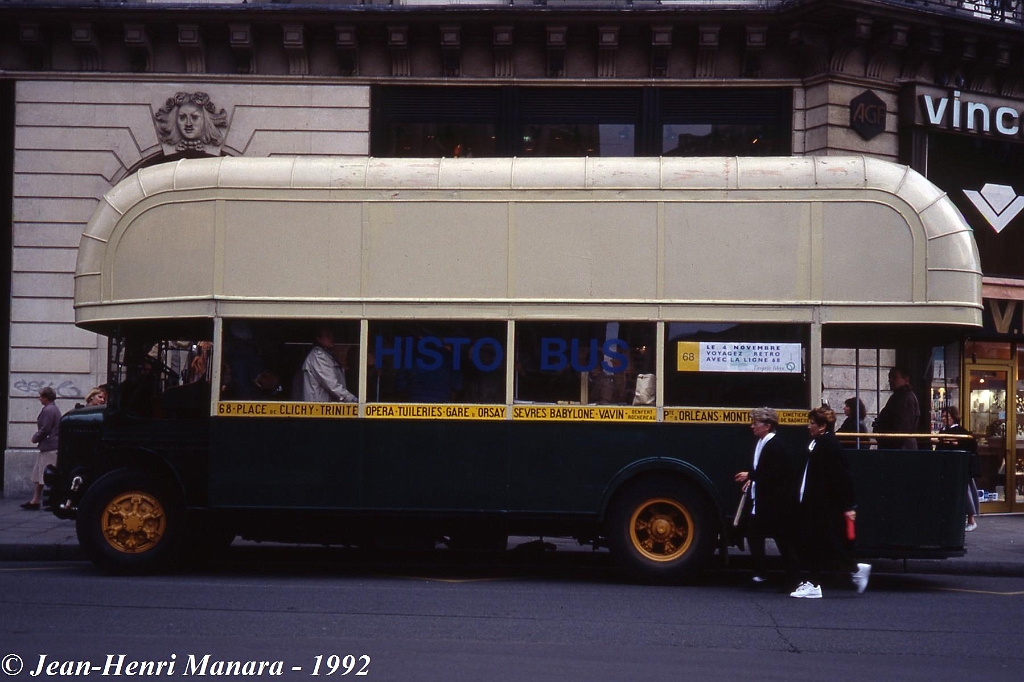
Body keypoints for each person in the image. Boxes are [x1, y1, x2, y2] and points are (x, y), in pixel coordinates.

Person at [790, 406, 871, 599]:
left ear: (822, 426)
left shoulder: (829, 444)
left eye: (812, 424)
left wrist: (849, 505)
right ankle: (817, 580)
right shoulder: (820, 442)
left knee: (818, 542)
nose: (808, 427)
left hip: (822, 503)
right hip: (815, 500)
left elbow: (842, 476)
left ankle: (819, 581)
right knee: (819, 543)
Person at [733, 407, 798, 585]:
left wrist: (751, 476)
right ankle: (764, 573)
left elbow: (772, 473)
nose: (752, 426)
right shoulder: (765, 443)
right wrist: (752, 480)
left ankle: (789, 577)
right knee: (757, 534)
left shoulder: (774, 446)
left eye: (756, 423)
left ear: (767, 426)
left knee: (780, 539)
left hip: (773, 503)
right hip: (766, 501)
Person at [937, 406, 979, 531]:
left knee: (966, 493)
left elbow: (970, 445)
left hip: (960, 467)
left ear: (954, 417)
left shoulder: (961, 432)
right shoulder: (943, 431)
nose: (944, 419)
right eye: (943, 417)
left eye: (947, 417)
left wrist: (955, 443)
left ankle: (971, 519)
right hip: (950, 466)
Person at [22, 387, 61, 511]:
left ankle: (50, 501)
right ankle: (35, 499)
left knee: (46, 475)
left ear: (46, 398)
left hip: (50, 446)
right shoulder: (52, 409)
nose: (39, 398)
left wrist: (35, 437)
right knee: (39, 474)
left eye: (41, 396)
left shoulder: (49, 410)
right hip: (48, 446)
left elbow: (45, 428)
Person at [301, 326, 357, 403]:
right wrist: (351, 399)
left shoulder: (328, 356)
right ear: (318, 338)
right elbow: (332, 384)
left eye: (331, 335)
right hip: (318, 409)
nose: (331, 338)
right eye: (327, 335)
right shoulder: (318, 356)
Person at [873, 367, 920, 450]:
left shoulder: (906, 398)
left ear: (906, 379)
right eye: (889, 377)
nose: (890, 380)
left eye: (894, 377)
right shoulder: (898, 397)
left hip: (900, 448)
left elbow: (903, 427)